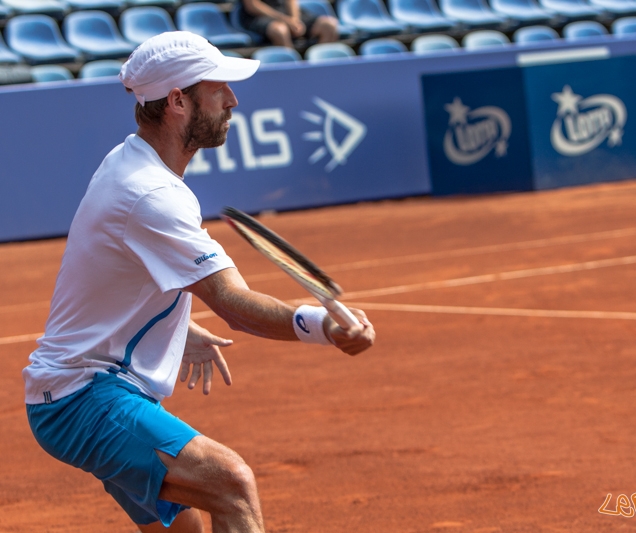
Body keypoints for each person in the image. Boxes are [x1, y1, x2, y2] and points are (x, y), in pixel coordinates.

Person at [22, 31, 375, 533]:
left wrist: (178, 329)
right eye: (218, 89)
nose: (233, 100)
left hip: (86, 391)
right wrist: (325, 327)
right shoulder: (151, 194)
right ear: (177, 102)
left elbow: (111, 278)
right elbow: (231, 302)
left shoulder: (130, 161)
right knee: (231, 483)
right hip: (83, 399)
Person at [239, 0, 338, 48]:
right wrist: (284, 19)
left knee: (329, 25)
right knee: (280, 31)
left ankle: (318, 68)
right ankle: (293, 70)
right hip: (258, 16)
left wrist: (295, 20)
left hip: (286, 12)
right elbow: (252, 6)